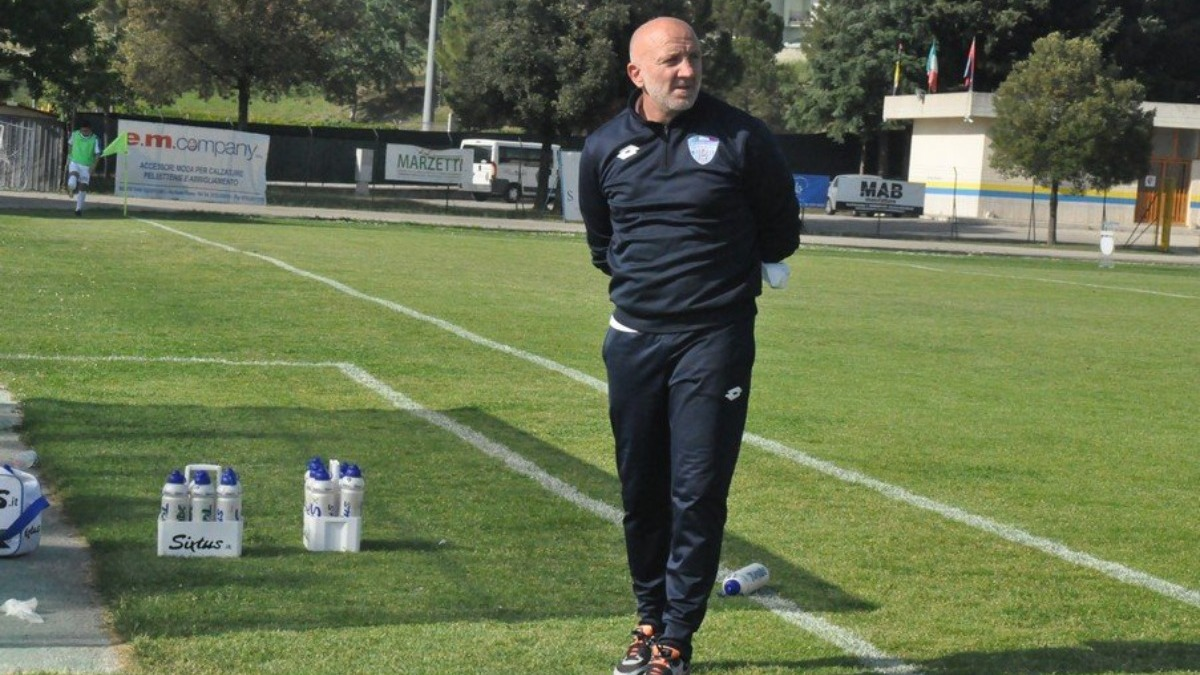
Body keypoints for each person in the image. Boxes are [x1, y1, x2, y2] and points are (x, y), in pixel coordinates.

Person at [578, 16, 800, 675]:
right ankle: (647, 618)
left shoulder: (741, 137)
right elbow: (603, 246)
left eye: (694, 58)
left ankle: (676, 637)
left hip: (715, 341)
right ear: (637, 73)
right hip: (634, 341)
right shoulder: (602, 149)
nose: (687, 71)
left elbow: (779, 232)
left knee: (696, 490)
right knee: (641, 488)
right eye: (672, 61)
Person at [66, 120, 101, 216]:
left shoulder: (95, 139)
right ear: (80, 129)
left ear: (90, 130)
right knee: (72, 181)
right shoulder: (75, 134)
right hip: (75, 162)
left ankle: (78, 209)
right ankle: (71, 189)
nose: (84, 132)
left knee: (83, 187)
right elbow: (70, 144)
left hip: (86, 166)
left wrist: (93, 166)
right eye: (83, 131)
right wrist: (69, 156)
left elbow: (98, 154)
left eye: (86, 131)